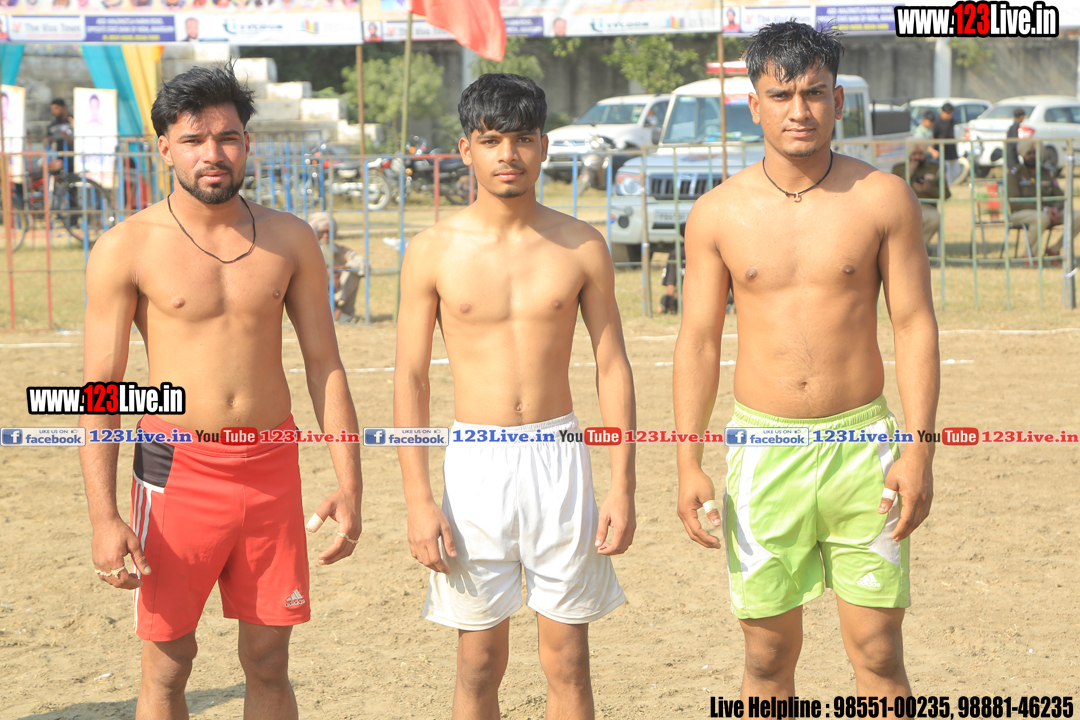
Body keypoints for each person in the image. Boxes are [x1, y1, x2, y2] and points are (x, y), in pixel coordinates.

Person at [79, 63, 364, 720]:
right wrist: (103, 517)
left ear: (247, 143)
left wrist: (350, 483)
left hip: (270, 465)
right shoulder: (126, 247)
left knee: (268, 661)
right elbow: (102, 389)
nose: (213, 153)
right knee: (168, 664)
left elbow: (325, 364)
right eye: (194, 139)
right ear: (164, 148)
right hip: (174, 467)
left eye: (228, 137)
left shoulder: (290, 238)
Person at [673, 22, 939, 700]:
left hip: (863, 448)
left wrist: (918, 450)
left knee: (879, 652)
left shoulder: (883, 197)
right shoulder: (716, 213)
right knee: (766, 659)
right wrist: (686, 461)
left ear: (838, 101)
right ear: (753, 105)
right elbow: (698, 341)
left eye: (816, 93)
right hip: (765, 451)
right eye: (781, 95)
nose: (800, 110)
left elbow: (913, 325)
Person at [395, 73, 636, 720]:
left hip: (559, 455)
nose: (509, 154)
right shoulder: (433, 250)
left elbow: (611, 365)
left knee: (569, 661)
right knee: (477, 662)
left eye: (523, 138)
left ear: (544, 145)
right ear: (465, 149)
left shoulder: (582, 245)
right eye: (491, 140)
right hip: (475, 461)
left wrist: (622, 486)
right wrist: (418, 500)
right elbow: (411, 378)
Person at [1007, 139, 1079, 257]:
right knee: (1042, 218)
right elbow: (1015, 203)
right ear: (1023, 154)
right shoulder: (1015, 174)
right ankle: (1030, 255)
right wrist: (1044, 209)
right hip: (1022, 213)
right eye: (1029, 153)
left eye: (1035, 153)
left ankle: (1055, 249)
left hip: (1050, 212)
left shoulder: (1047, 172)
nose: (1032, 156)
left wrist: (1055, 209)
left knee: (1077, 216)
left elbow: (1060, 196)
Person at [308, 211, 365, 322]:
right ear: (314, 233)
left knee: (352, 271)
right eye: (322, 232)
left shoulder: (341, 251)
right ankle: (333, 311)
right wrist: (327, 273)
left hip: (339, 297)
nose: (326, 236)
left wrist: (341, 269)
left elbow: (363, 264)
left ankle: (336, 310)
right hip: (315, 300)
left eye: (329, 232)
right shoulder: (306, 252)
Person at [892, 143, 949, 248]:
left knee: (934, 218)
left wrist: (929, 189)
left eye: (920, 153)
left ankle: (917, 248)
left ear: (925, 153)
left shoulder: (935, 168)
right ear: (909, 154)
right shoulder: (898, 169)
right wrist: (907, 174)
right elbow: (892, 192)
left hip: (926, 207)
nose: (917, 157)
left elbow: (946, 194)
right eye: (914, 154)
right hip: (904, 207)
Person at [932, 102, 959, 185]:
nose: (949, 115)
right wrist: (933, 150)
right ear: (942, 112)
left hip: (952, 150)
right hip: (942, 152)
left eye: (951, 113)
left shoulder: (951, 121)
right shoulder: (937, 122)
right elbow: (933, 137)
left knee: (956, 170)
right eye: (948, 113)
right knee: (946, 173)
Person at [47, 97, 75, 172]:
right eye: (52, 109)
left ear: (63, 108)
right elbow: (47, 143)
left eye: (56, 108)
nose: (53, 111)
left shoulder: (73, 121)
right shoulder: (52, 126)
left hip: (75, 157)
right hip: (61, 158)